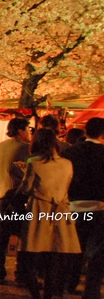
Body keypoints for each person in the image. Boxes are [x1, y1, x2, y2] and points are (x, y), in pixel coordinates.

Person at [18, 128, 81, 299]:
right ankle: (48, 295)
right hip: (60, 212)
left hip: (39, 210)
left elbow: (26, 188)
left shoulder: (33, 162)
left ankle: (36, 295)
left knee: (28, 256)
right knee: (54, 258)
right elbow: (67, 186)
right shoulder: (67, 164)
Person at [62, 117, 104, 297]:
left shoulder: (70, 153)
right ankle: (91, 291)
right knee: (96, 253)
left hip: (73, 207)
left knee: (73, 249)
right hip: (99, 207)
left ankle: (68, 284)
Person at [0, 117, 32, 285]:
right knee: (25, 236)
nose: (29, 133)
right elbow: (27, 175)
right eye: (27, 130)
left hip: (2, 197)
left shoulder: (0, 146)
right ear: (20, 131)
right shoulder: (25, 149)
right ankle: (21, 273)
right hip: (18, 198)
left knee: (1, 236)